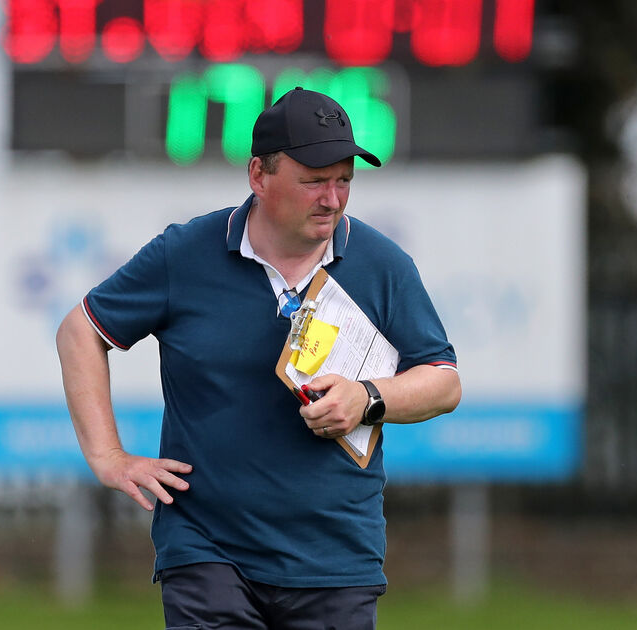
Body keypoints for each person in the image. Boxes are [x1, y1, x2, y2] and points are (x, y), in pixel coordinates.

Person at [56, 87, 460, 629]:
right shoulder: (185, 253)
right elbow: (80, 331)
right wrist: (108, 456)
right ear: (258, 175)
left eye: (344, 180)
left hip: (335, 559)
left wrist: (368, 398)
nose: (332, 198)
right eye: (314, 180)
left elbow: (443, 381)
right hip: (206, 550)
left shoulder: (383, 265)